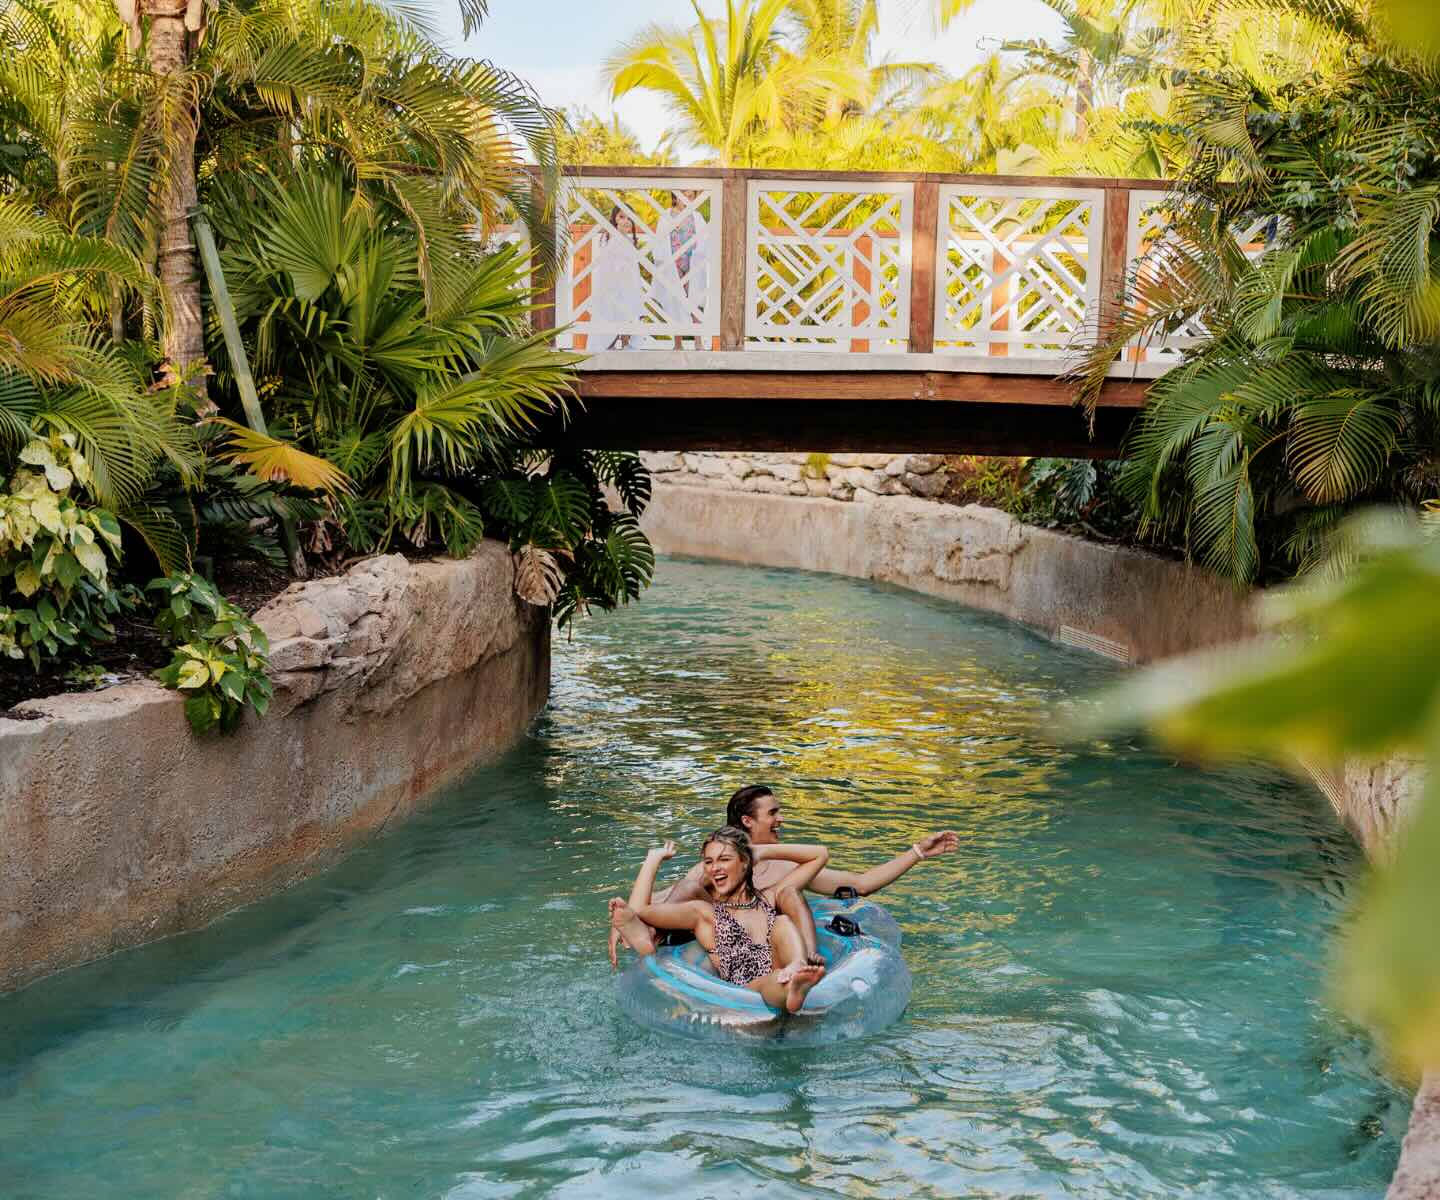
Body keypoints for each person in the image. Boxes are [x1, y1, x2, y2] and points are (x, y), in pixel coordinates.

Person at [608, 785, 959, 967]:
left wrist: (917, 852)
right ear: (748, 821)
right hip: (709, 946)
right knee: (688, 888)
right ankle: (649, 941)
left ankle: (801, 963)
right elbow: (672, 897)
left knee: (789, 895)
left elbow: (861, 883)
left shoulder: (786, 869)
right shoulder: (714, 865)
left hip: (763, 948)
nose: (781, 819)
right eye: (773, 813)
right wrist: (624, 922)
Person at [608, 827, 828, 1013]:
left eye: (724, 859)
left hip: (785, 966)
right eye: (708, 862)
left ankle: (798, 971)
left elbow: (820, 854)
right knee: (774, 980)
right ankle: (793, 988)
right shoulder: (706, 913)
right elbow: (640, 910)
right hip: (747, 987)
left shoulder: (769, 897)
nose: (715, 868)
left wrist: (761, 850)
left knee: (782, 923)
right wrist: (652, 859)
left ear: (744, 862)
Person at [653, 190, 709, 349]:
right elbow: (660, 240)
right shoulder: (666, 216)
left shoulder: (697, 216)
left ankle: (698, 341)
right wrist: (662, 262)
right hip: (673, 263)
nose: (687, 199)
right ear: (675, 197)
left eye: (691, 197)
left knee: (696, 300)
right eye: (684, 196)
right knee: (675, 300)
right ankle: (678, 343)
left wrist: (701, 255)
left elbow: (705, 238)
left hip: (693, 262)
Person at [587, 205, 645, 350]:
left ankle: (625, 343)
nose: (626, 221)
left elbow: (632, 266)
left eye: (629, 218)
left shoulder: (629, 241)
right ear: (614, 220)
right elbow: (609, 265)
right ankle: (610, 343)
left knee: (629, 311)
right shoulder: (612, 239)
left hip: (628, 285)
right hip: (614, 286)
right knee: (615, 312)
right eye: (621, 217)